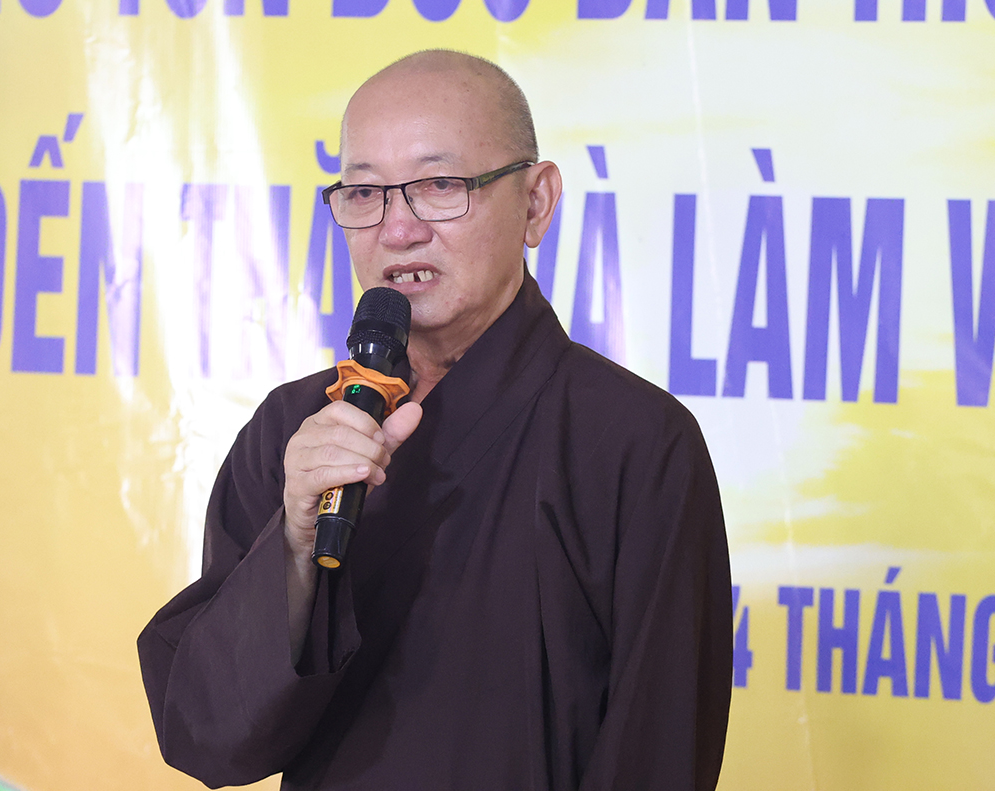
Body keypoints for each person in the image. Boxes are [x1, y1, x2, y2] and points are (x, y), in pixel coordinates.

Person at [138, 50, 732, 791]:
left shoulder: (634, 442)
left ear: (536, 203)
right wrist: (292, 547)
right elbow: (207, 737)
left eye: (440, 186)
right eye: (365, 193)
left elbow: (660, 749)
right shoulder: (297, 428)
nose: (398, 230)